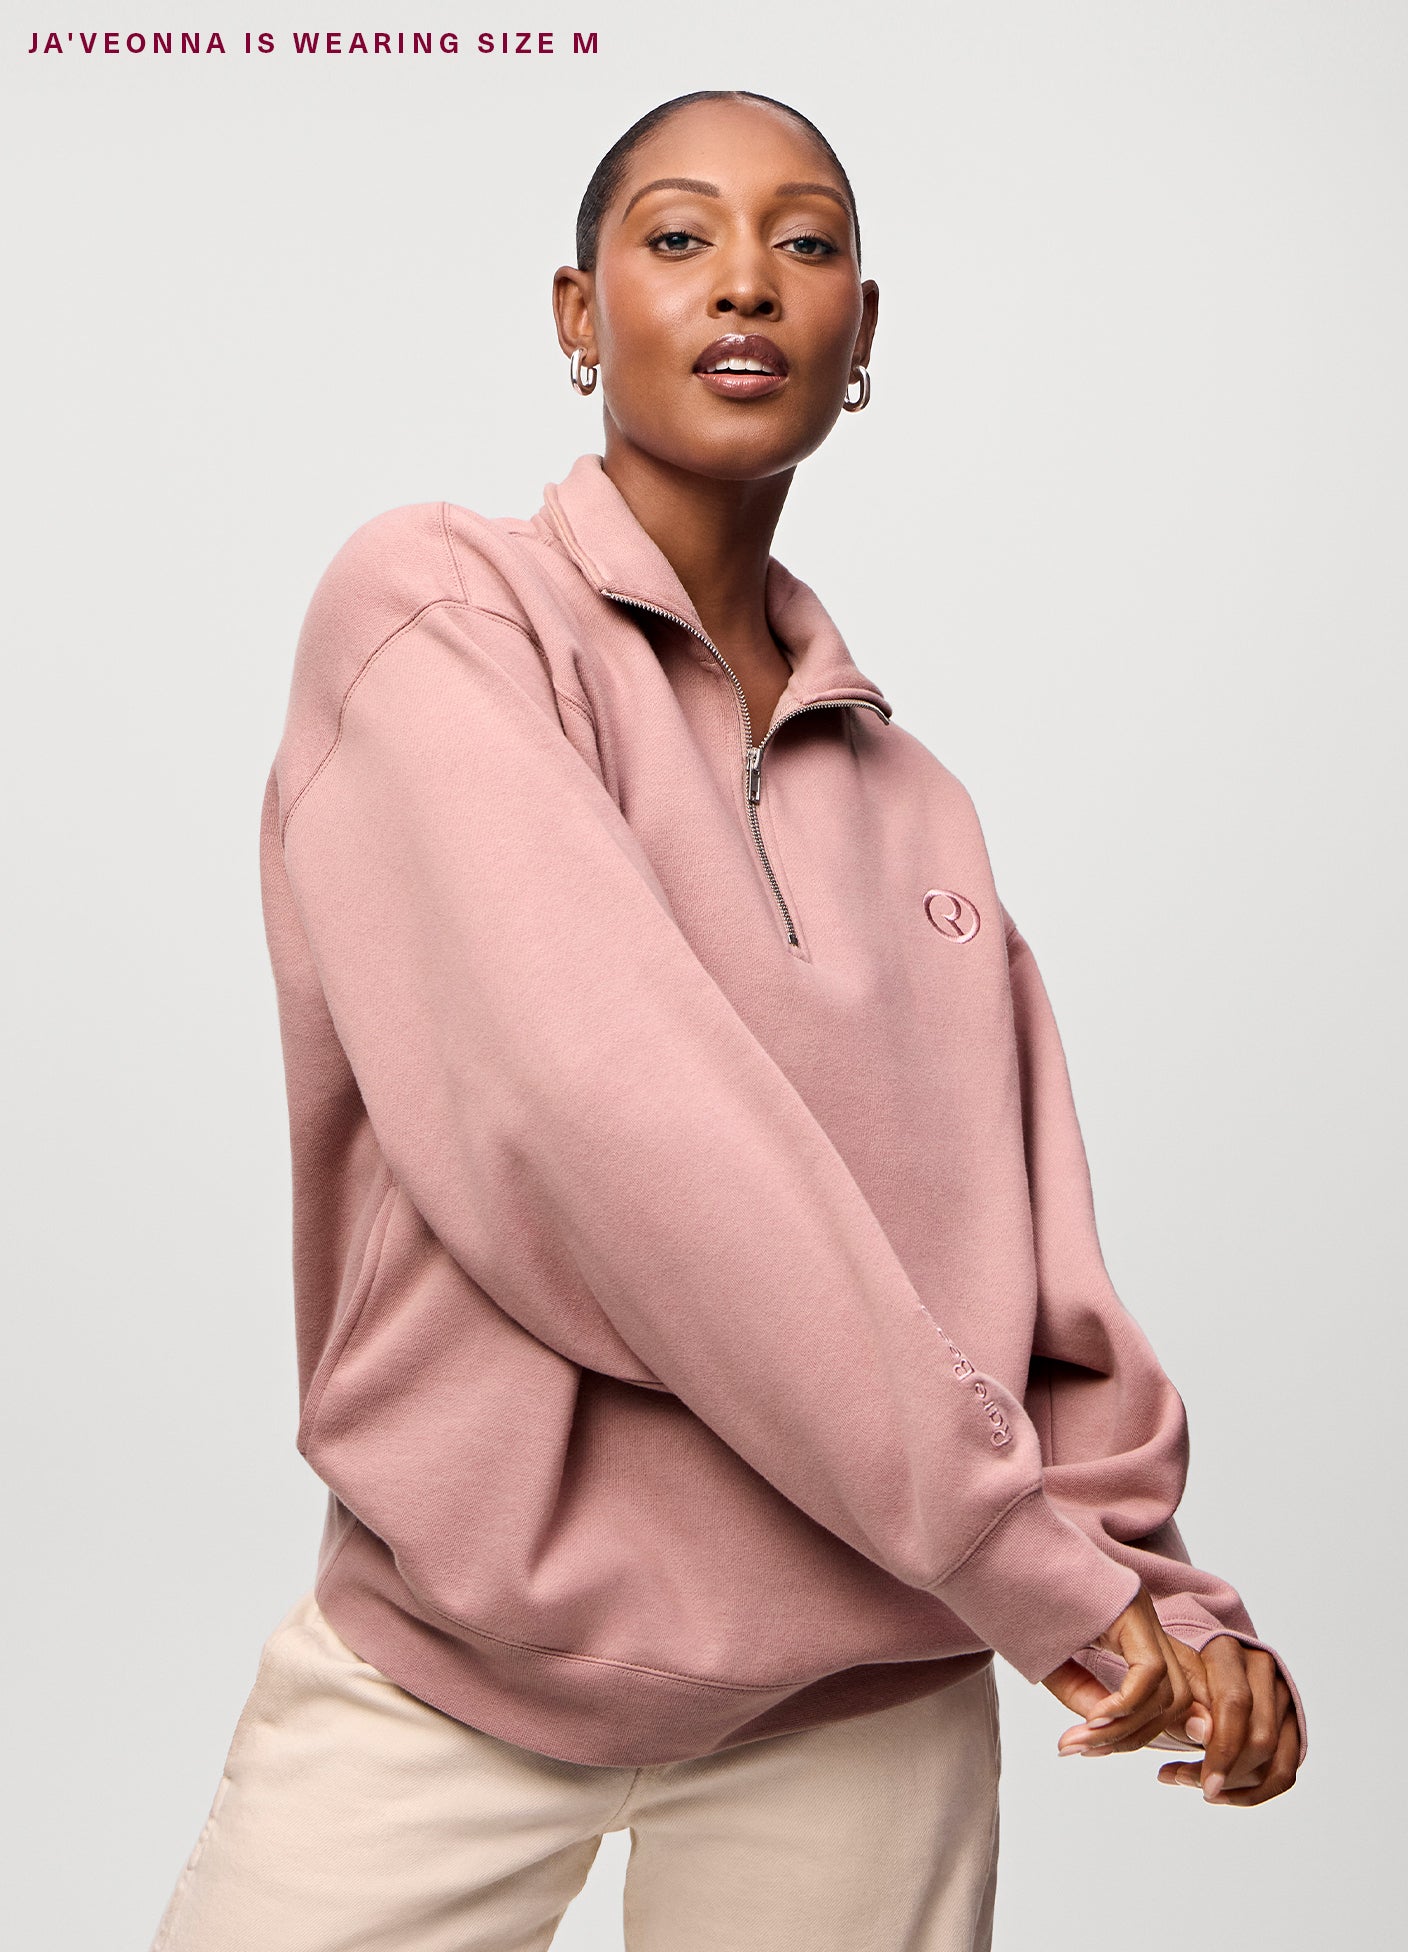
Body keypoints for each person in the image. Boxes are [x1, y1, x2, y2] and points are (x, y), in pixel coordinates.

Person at [148, 87, 1307, 1952]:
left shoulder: (917, 805)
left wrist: (1157, 1585)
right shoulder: (440, 614)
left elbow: (1031, 1258)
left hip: (869, 1695)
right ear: (578, 313)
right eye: (679, 237)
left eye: (808, 242)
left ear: (863, 331)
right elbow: (615, 1133)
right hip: (463, 1662)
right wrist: (1034, 1566)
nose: (747, 282)